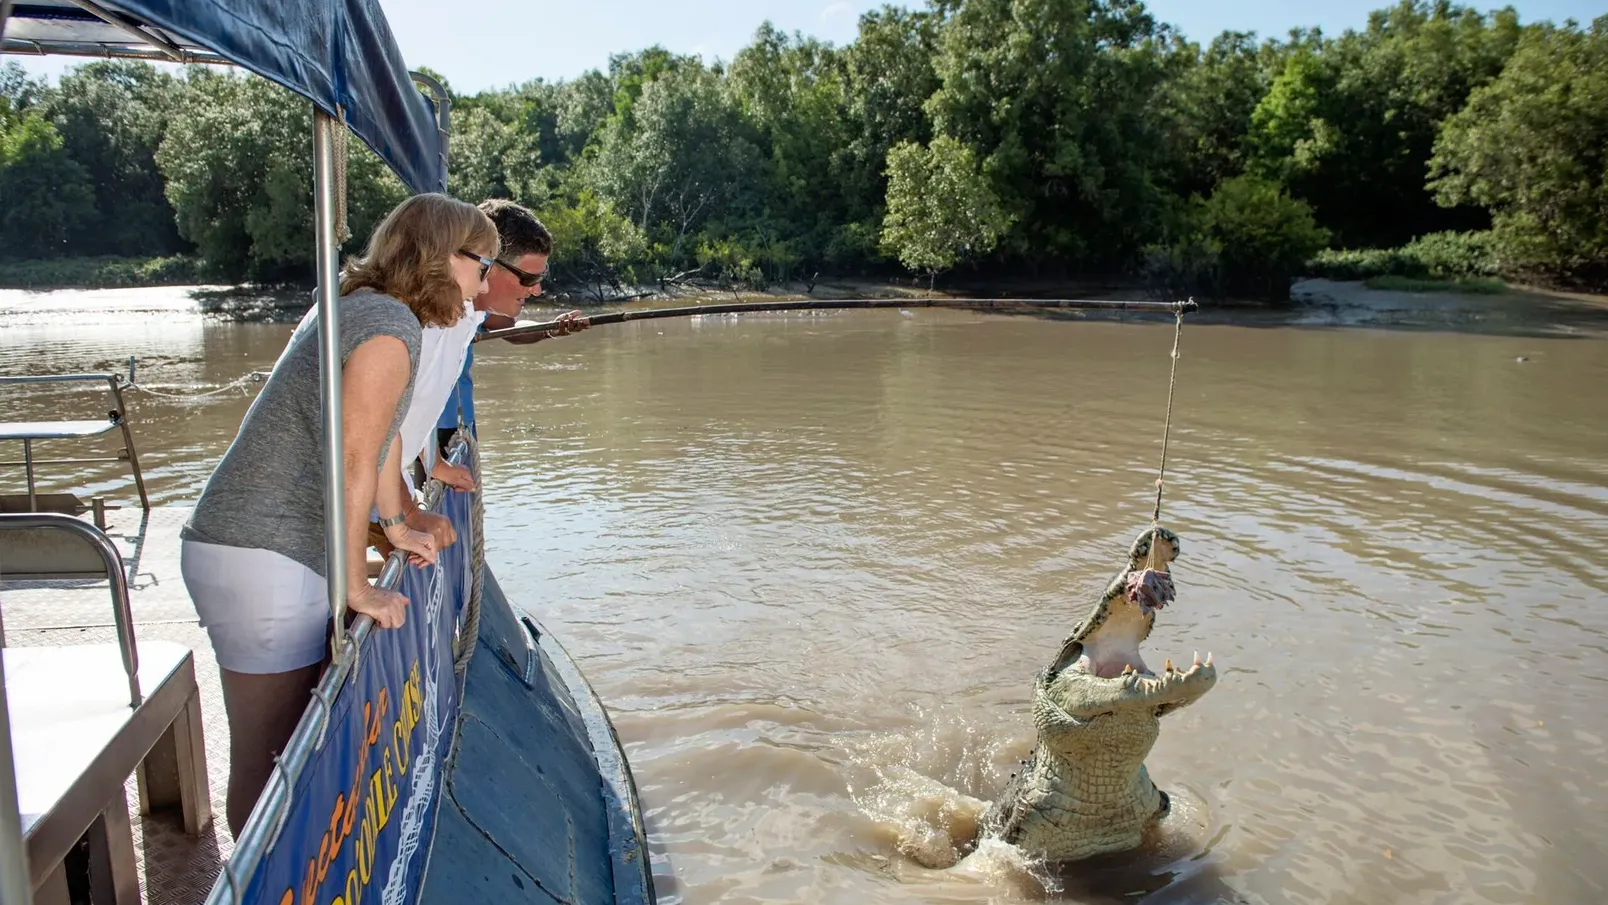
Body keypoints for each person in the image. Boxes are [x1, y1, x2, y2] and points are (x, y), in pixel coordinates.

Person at [177, 192, 499, 836]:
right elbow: (354, 461)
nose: (486, 284)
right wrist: (358, 587)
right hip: (266, 552)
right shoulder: (387, 330)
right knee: (274, 762)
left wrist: (401, 522)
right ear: (443, 257)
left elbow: (380, 446)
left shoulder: (372, 310)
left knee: (283, 750)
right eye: (483, 264)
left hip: (262, 549)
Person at [433, 198, 588, 460]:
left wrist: (552, 328)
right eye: (528, 278)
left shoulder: (476, 310)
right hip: (432, 439)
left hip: (461, 432)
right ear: (489, 264)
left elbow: (509, 328)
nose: (537, 290)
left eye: (541, 277)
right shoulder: (431, 317)